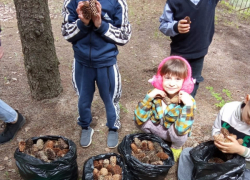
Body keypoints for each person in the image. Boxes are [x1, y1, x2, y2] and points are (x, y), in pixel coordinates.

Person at [61, 0, 131, 148]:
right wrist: (83, 23)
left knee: (111, 99)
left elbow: (124, 36)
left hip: (106, 62)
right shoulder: (72, 2)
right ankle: (85, 126)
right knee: (83, 99)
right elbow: (66, 33)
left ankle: (113, 127)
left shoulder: (117, 3)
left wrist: (100, 24)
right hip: (82, 62)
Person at [134, 56, 196, 161]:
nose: (172, 83)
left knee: (180, 135)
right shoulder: (155, 94)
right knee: (139, 121)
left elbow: (181, 130)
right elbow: (138, 118)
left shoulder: (188, 101)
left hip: (173, 132)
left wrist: (188, 106)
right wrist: (148, 98)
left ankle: (176, 148)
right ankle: (153, 139)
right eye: (167, 78)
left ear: (185, 82)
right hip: (157, 127)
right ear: (160, 78)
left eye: (177, 79)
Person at [178, 94, 250, 180]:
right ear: (247, 99)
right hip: (220, 153)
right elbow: (216, 128)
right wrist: (218, 136)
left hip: (244, 162)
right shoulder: (228, 109)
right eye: (249, 116)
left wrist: (240, 149)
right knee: (186, 153)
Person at [159, 0, 220, 98]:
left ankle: (187, 110)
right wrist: (175, 27)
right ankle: (171, 109)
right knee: (173, 84)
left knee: (192, 84)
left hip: (199, 53)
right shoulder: (173, 2)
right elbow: (163, 25)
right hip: (179, 53)